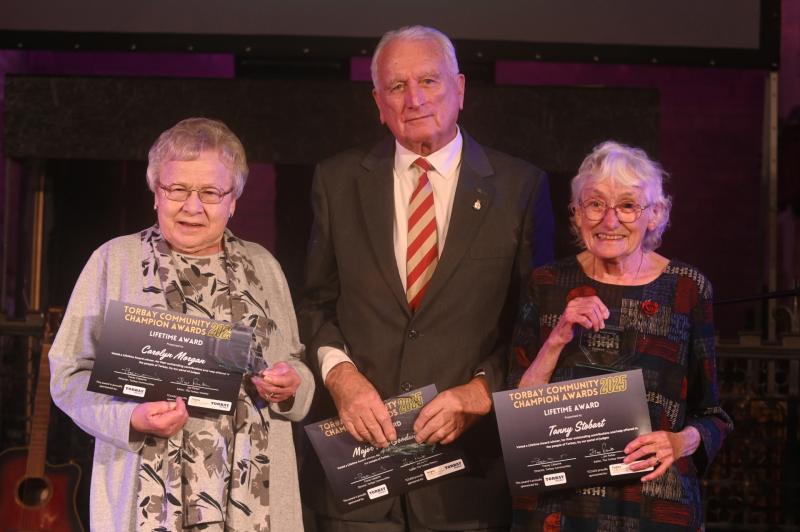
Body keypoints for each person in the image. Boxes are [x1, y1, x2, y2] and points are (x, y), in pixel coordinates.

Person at [298, 25, 554, 531]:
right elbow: (313, 304)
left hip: (468, 483)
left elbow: (536, 322)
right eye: (396, 87)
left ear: (460, 89)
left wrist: (481, 393)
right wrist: (341, 377)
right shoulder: (336, 181)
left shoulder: (520, 187)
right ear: (378, 102)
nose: (413, 99)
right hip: (357, 482)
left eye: (429, 81)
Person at [49, 117, 314, 531]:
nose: (193, 206)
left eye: (210, 192)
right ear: (156, 193)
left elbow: (295, 363)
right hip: (145, 501)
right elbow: (67, 373)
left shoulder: (264, 266)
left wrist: (290, 384)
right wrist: (130, 419)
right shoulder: (113, 261)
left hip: (253, 502)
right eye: (177, 189)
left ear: (233, 200)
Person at [511, 141, 732, 530]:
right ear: (577, 215)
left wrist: (681, 442)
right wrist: (558, 336)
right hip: (561, 511)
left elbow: (713, 416)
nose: (609, 221)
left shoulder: (687, 289)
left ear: (655, 214)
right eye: (595, 204)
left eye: (628, 206)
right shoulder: (547, 284)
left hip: (654, 508)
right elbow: (519, 413)